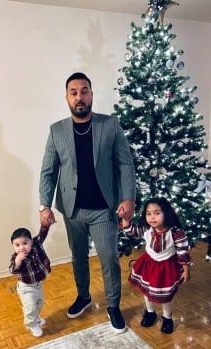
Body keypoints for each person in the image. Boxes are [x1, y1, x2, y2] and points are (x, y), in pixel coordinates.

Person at [39, 72, 136, 333]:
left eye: (84, 91)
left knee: (108, 258)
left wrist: (128, 198)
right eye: (74, 92)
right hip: (72, 210)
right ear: (67, 97)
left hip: (104, 209)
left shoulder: (110, 124)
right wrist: (44, 205)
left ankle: (113, 305)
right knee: (78, 257)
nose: (79, 97)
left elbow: (125, 163)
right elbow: (48, 172)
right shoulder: (56, 131)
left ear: (91, 94)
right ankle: (83, 296)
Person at [120, 197, 191, 334]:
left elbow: (183, 252)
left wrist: (186, 270)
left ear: (166, 213)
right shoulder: (146, 228)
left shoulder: (176, 232)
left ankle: (167, 317)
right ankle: (150, 312)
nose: (152, 217)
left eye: (157, 213)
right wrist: (126, 219)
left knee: (166, 295)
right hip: (148, 264)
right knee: (147, 290)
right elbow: (132, 231)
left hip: (167, 267)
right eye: (148, 213)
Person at [9, 226, 51, 337]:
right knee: (31, 307)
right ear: (13, 246)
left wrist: (46, 224)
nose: (21, 247)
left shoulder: (35, 246)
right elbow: (11, 269)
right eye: (17, 245)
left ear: (31, 242)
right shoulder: (16, 258)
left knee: (39, 303)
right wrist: (18, 261)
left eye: (25, 243)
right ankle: (31, 324)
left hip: (38, 285)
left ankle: (35, 317)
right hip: (25, 288)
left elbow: (42, 235)